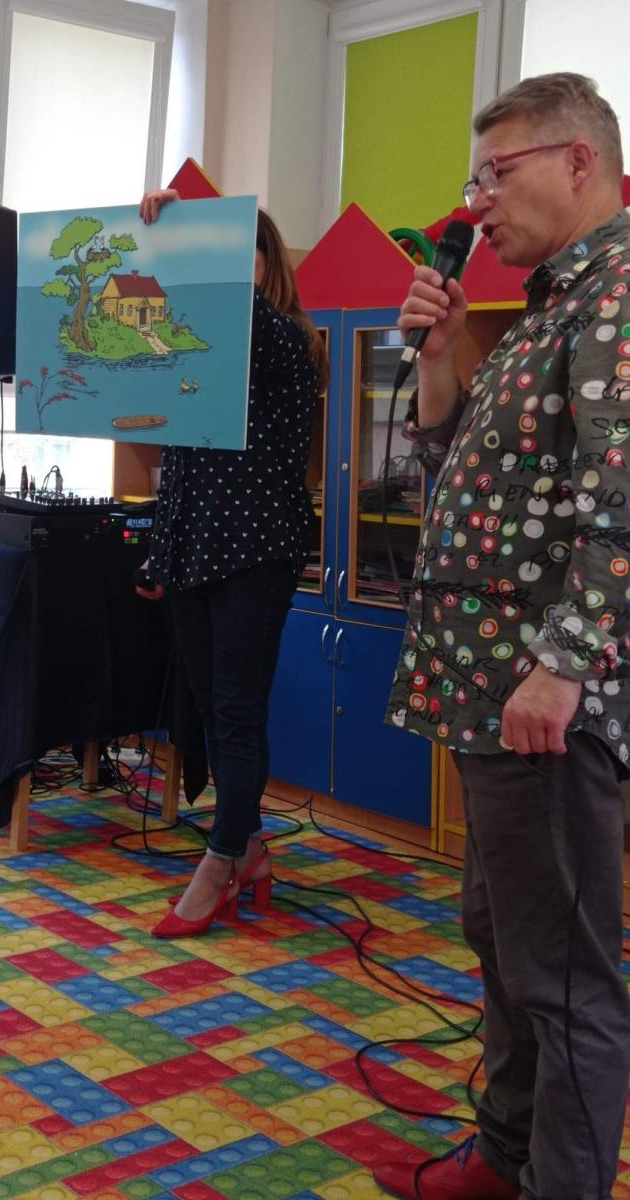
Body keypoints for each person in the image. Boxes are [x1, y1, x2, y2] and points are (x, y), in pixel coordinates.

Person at [378, 73, 630, 1200]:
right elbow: (460, 483)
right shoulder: (550, 308)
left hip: (543, 702)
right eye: (473, 178)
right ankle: (507, 1152)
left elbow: (622, 503)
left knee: (564, 975)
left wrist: (562, 667)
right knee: (502, 935)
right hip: (489, 693)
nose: (475, 202)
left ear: (578, 160)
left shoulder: (619, 297)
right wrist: (440, 359)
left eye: (497, 172)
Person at [136, 189, 328, 938]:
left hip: (256, 547)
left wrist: (187, 229)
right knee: (214, 709)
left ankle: (218, 865)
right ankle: (249, 849)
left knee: (238, 711)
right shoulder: (193, 355)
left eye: (231, 252)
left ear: (264, 262)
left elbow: (235, 311)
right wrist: (159, 550)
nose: (217, 269)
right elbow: (178, 463)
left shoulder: (286, 340)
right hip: (194, 545)